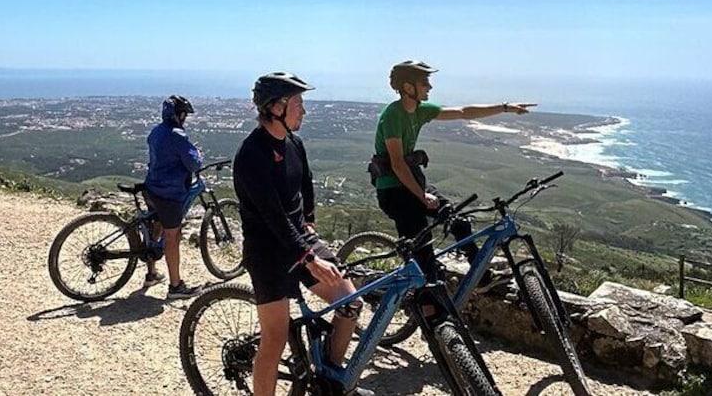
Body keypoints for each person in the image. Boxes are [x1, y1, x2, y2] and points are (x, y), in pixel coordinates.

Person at [233, 72, 372, 396]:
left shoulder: (293, 143)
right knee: (275, 339)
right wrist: (309, 259)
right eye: (298, 103)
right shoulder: (251, 154)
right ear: (275, 107)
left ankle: (328, 380)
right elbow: (273, 218)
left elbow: (304, 183)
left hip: (299, 241)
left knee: (351, 304)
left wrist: (309, 220)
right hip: (267, 252)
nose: (304, 111)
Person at [372, 60, 537, 287]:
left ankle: (480, 277)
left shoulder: (419, 111)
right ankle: (431, 312)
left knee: (457, 221)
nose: (429, 87)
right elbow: (398, 164)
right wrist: (422, 196)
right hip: (393, 190)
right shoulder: (393, 115)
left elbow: (462, 112)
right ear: (408, 87)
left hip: (412, 183)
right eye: (424, 82)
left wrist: (506, 107)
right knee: (423, 254)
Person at [143, 94, 204, 300]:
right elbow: (194, 164)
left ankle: (151, 274)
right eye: (184, 114)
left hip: (151, 188)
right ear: (179, 115)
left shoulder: (156, 131)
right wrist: (198, 154)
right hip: (168, 193)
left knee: (155, 226)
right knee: (173, 236)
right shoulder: (178, 135)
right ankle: (175, 286)